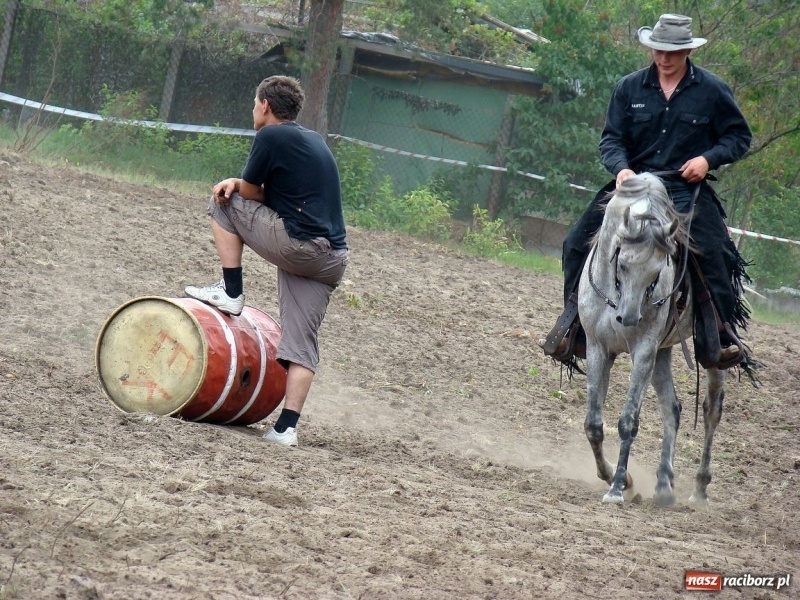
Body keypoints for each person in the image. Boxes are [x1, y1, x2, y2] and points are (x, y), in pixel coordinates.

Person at [540, 14, 755, 373]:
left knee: (715, 250)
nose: (663, 58)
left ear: (687, 50)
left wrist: (707, 159)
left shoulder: (713, 90)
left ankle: (716, 336)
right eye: (658, 50)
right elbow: (611, 139)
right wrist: (621, 168)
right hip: (633, 184)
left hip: (685, 189)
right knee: (576, 242)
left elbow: (738, 137)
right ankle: (574, 326)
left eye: (671, 52)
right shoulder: (629, 87)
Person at [185, 75, 349, 446]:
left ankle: (231, 292)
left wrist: (230, 182)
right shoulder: (312, 140)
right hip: (332, 258)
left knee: (222, 201)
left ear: (265, 106)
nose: (253, 110)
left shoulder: (269, 136)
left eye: (253, 103)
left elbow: (253, 192)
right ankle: (286, 428)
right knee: (301, 343)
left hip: (300, 246)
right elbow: (282, 194)